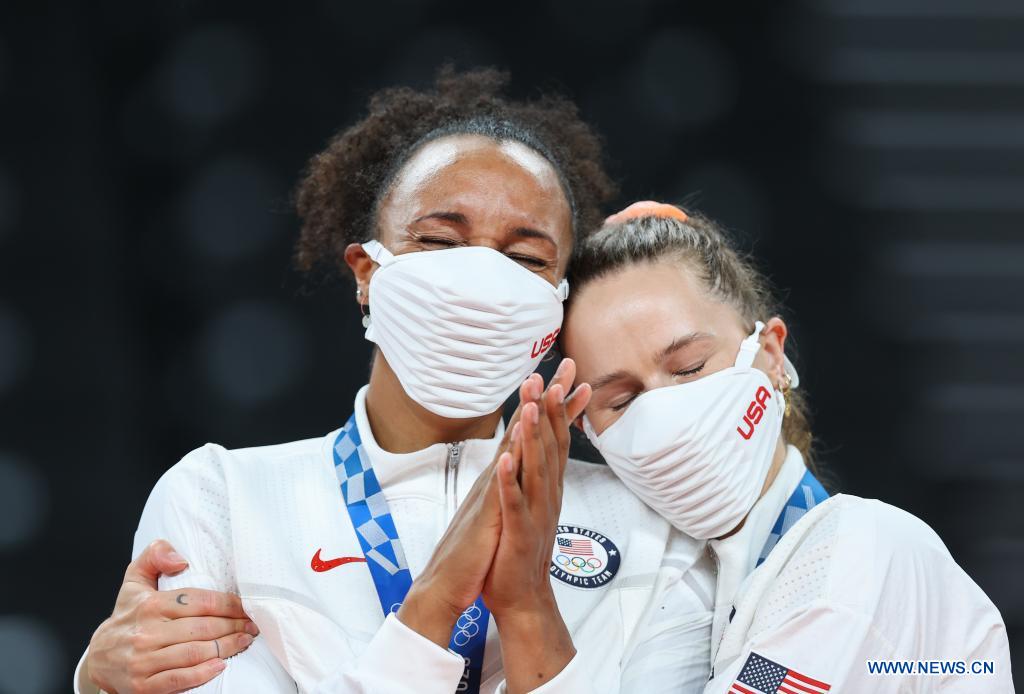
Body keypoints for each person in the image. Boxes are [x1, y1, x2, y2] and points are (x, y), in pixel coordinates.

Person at [77, 74, 714, 693]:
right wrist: (438, 597)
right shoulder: (224, 497)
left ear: (560, 302)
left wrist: (527, 608)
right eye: (439, 240)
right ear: (366, 272)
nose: (480, 283)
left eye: (525, 258)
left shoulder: (646, 522)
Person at [561, 201, 1015, 692]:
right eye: (622, 401)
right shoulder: (686, 588)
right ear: (587, 430)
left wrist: (529, 615)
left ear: (772, 354)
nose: (663, 416)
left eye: (690, 367)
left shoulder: (859, 556)